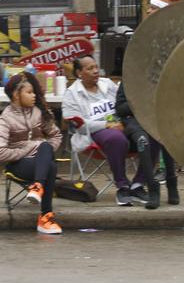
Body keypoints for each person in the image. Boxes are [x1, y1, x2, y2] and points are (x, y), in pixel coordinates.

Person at [113, 0, 184, 210]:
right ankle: (153, 187)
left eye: (153, 9)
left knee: (168, 140)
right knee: (150, 137)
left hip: (163, 94)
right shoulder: (143, 37)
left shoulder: (172, 38)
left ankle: (172, 184)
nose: (148, 12)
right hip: (141, 96)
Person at [64, 55, 150, 206]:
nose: (96, 71)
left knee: (152, 135)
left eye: (96, 67)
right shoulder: (71, 94)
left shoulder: (107, 84)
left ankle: (138, 185)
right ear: (79, 73)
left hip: (123, 126)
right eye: (90, 68)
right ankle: (122, 187)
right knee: (116, 138)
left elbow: (123, 102)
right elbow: (80, 125)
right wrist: (106, 125)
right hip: (95, 133)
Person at [0, 72, 62, 234]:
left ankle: (37, 187)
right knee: (49, 164)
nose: (34, 96)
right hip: (19, 164)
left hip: (40, 161)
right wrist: (28, 149)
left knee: (46, 152)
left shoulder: (38, 112)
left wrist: (44, 149)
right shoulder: (5, 119)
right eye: (29, 92)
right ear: (16, 95)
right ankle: (45, 218)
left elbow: (56, 135)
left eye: (34, 92)